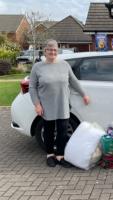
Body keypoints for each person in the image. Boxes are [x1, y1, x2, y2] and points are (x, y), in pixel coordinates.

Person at [29, 39, 90, 168]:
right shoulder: (37, 67)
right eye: (50, 49)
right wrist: (37, 104)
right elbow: (32, 87)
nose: (52, 52)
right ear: (45, 51)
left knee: (62, 131)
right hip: (46, 106)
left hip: (63, 104)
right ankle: (50, 154)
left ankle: (60, 155)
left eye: (55, 50)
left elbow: (73, 81)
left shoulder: (64, 65)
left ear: (57, 51)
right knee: (49, 132)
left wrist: (83, 94)